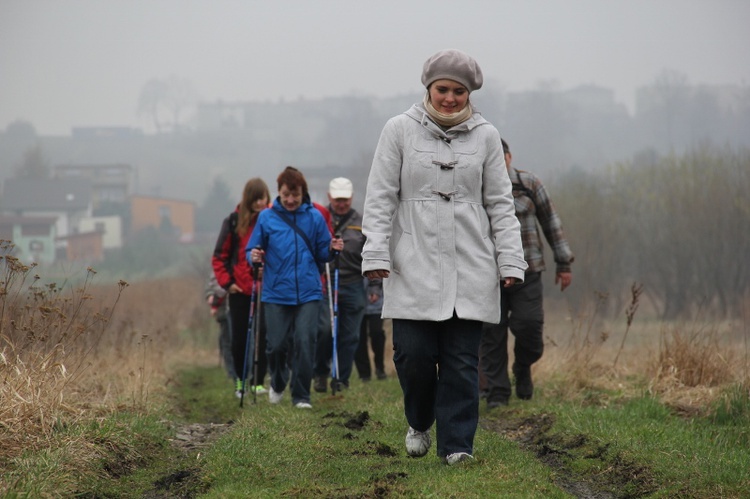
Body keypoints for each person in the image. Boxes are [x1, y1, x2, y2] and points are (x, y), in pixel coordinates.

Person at [361, 49, 527, 465]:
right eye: (442, 90)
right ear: (428, 89)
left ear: (469, 92)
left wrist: (510, 261)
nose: (450, 98)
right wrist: (375, 252)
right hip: (412, 262)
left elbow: (501, 205)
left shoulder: (486, 136)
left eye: (458, 91)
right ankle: (418, 419)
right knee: (412, 356)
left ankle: (457, 447)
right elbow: (380, 197)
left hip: (471, 263)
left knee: (460, 363)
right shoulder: (398, 130)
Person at [479, 139, 574, 408]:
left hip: (528, 270)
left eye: (501, 156)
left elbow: (551, 222)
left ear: (509, 156)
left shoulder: (530, 184)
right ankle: (497, 394)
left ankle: (522, 366)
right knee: (491, 334)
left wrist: (563, 263)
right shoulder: (474, 186)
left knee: (529, 326)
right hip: (488, 273)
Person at [248, 166, 344, 409]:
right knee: (276, 345)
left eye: (296, 195)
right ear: (278, 192)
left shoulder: (314, 217)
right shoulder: (266, 217)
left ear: (303, 193)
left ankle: (301, 395)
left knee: (304, 341)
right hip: (275, 292)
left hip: (309, 292)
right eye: (286, 194)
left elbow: (324, 254)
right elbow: (252, 249)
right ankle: (278, 381)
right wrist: (254, 255)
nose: (291, 200)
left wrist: (333, 248)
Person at [212, 178, 270, 398]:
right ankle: (240, 381)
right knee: (240, 338)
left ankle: (258, 381)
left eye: (262, 197)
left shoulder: (274, 219)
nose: (259, 203)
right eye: (254, 198)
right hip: (239, 289)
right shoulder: (233, 221)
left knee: (264, 335)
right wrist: (228, 284)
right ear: (248, 199)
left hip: (267, 288)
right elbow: (219, 256)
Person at [312, 177, 367, 392]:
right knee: (325, 330)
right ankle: (320, 373)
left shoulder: (361, 222)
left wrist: (373, 287)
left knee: (350, 335)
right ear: (329, 197)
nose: (341, 204)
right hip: (326, 283)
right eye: (337, 200)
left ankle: (341, 379)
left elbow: (370, 255)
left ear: (351, 198)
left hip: (353, 284)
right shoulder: (319, 219)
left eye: (345, 199)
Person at [354, 276, 386, 382]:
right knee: (358, 337)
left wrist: (375, 289)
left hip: (375, 301)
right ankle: (364, 374)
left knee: (377, 333)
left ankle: (380, 368)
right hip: (355, 299)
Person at [204, 271, 235, 380]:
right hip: (223, 311)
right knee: (226, 341)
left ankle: (238, 372)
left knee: (234, 341)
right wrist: (210, 296)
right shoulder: (219, 267)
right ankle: (231, 372)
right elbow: (211, 287)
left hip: (235, 307)